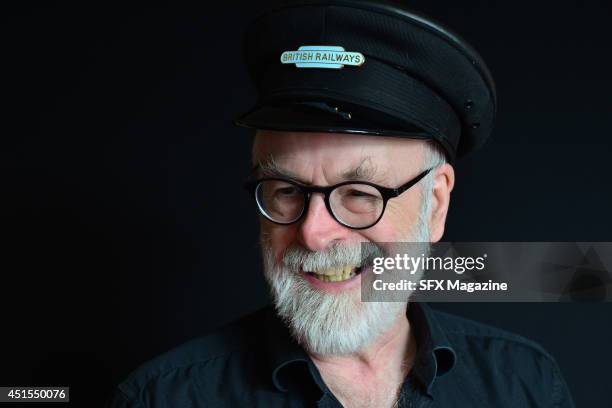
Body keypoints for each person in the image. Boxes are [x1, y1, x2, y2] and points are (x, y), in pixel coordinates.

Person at [108, 1, 575, 406]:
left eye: (358, 194)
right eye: (287, 190)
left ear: (434, 205)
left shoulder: (526, 383)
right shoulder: (162, 397)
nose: (313, 232)